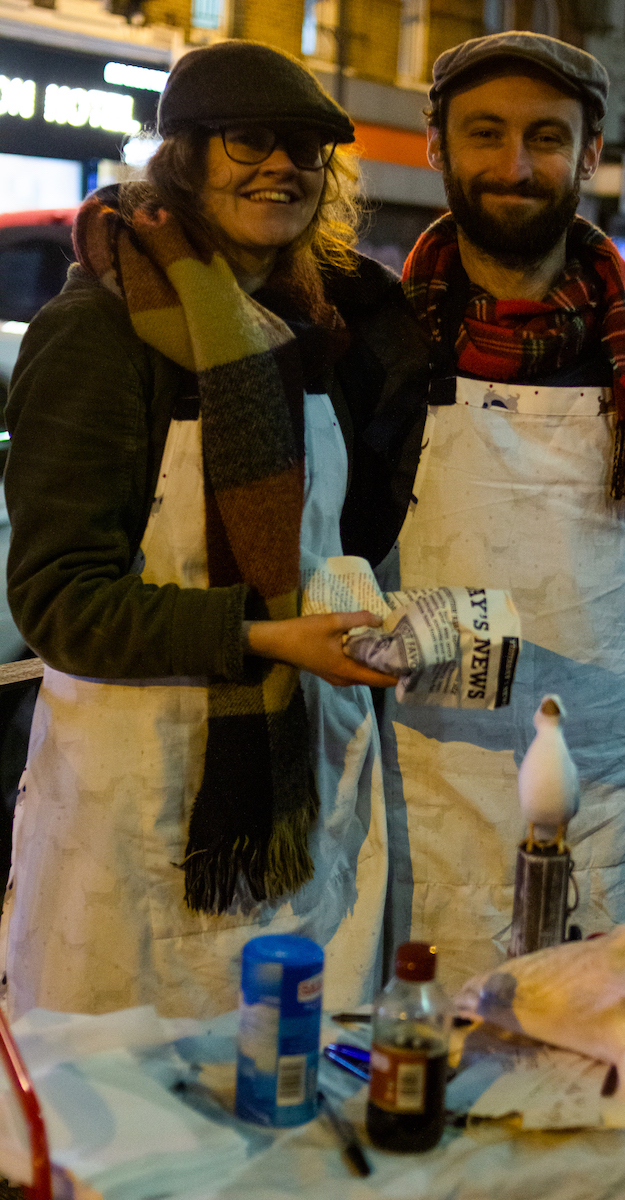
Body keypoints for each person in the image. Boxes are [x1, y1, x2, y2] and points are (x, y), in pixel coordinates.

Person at [0, 39, 416, 1020]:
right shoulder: (101, 331)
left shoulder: (319, 332)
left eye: (306, 149)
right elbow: (60, 604)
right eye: (248, 141)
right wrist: (263, 636)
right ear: (182, 154)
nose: (281, 165)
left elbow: (332, 540)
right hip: (142, 802)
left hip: (293, 786)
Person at [342, 31, 625, 991]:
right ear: (436, 145)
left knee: (561, 1066)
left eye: (547, 137)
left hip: (575, 785)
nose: (515, 165)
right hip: (404, 773)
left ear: (590, 154)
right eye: (485, 133)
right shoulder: (371, 351)